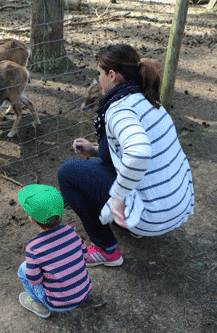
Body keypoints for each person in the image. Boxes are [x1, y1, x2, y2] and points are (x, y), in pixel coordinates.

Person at [57, 44, 195, 267]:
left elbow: (139, 154)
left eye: (99, 74)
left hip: (152, 215)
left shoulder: (119, 109)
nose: (99, 78)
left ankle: (105, 249)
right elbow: (130, 153)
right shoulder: (149, 100)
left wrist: (118, 199)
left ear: (112, 75)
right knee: (98, 167)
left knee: (68, 172)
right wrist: (95, 150)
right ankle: (135, 227)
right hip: (174, 207)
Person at [17, 184, 92, 318]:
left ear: (32, 219)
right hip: (84, 292)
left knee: (22, 269)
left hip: (56, 304)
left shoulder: (33, 248)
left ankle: (39, 305)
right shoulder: (70, 231)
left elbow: (35, 280)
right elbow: (85, 256)